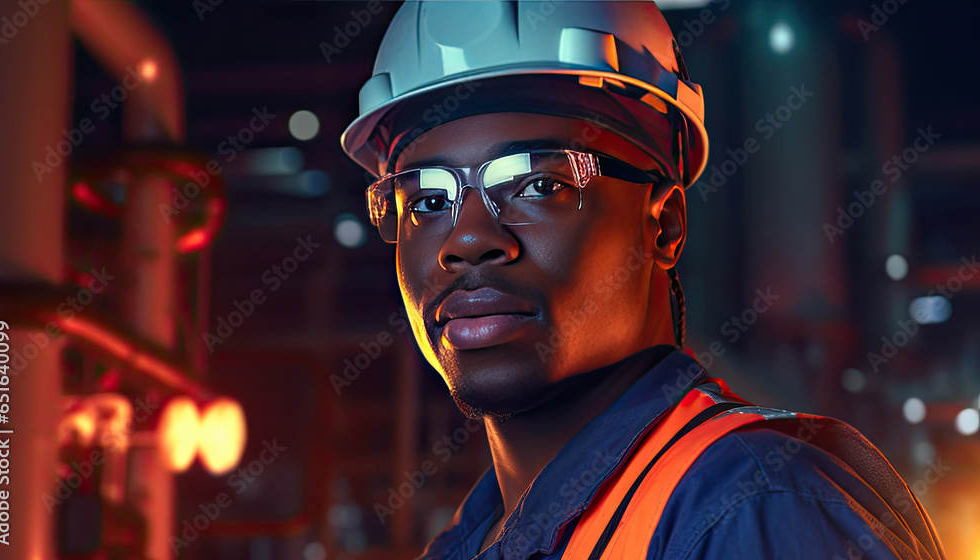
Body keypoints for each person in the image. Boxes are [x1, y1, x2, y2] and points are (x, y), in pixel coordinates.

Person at [340, 2, 947, 558]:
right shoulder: (464, 548)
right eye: (425, 202)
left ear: (665, 227)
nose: (466, 240)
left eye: (539, 184)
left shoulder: (753, 510)